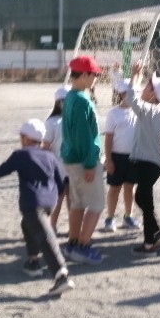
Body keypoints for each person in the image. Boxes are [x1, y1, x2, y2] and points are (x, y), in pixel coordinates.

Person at [0, 119, 75, 297]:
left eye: (21, 135)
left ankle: (61, 275)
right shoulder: (50, 156)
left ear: (26, 138)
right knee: (27, 225)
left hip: (32, 202)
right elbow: (62, 181)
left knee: (45, 237)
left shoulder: (21, 155)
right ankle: (33, 262)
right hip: (49, 202)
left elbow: (0, 172)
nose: (20, 138)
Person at [61, 55, 106, 265]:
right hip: (83, 160)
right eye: (95, 74)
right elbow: (84, 136)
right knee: (96, 204)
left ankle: (72, 243)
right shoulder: (81, 100)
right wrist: (89, 164)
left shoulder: (70, 96)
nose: (96, 78)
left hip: (71, 158)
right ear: (85, 75)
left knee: (78, 203)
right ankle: (83, 246)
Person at [125, 60, 160, 255]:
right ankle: (154, 235)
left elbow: (130, 98)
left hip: (146, 162)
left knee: (145, 199)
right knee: (141, 197)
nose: (144, 87)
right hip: (154, 163)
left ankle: (152, 240)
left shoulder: (148, 110)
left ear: (153, 94)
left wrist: (134, 75)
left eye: (148, 85)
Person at [103, 78, 141, 232]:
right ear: (121, 94)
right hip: (117, 157)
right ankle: (110, 218)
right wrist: (109, 160)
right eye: (129, 93)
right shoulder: (113, 114)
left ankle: (128, 216)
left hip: (134, 157)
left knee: (130, 188)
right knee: (114, 188)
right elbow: (108, 138)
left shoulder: (139, 111)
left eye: (135, 93)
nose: (133, 96)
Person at [44, 85, 71, 234]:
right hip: (57, 168)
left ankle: (73, 227)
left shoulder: (76, 120)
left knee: (73, 199)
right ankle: (52, 226)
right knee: (58, 198)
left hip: (74, 167)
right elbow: (46, 146)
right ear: (58, 102)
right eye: (64, 100)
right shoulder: (51, 122)